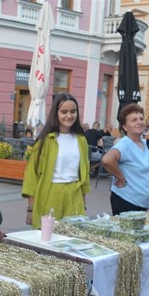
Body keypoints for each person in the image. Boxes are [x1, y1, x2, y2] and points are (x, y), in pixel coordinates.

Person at [22, 93, 90, 228]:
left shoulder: (81, 140)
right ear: (56, 113)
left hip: (74, 195)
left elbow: (84, 176)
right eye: (64, 112)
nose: (69, 116)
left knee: (73, 239)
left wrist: (84, 206)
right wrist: (30, 209)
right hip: (51, 194)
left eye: (73, 111)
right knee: (49, 239)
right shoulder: (45, 141)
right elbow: (32, 176)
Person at [100, 103, 149, 215]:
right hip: (127, 201)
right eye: (134, 120)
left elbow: (140, 165)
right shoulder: (125, 144)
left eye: (141, 119)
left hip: (141, 203)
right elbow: (107, 160)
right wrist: (120, 177)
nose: (139, 122)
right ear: (124, 126)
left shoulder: (142, 143)